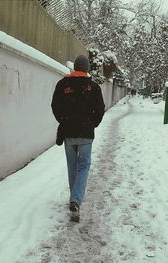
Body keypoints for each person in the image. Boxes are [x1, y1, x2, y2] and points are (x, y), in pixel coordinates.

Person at [51, 55, 105, 222]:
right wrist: (92, 124)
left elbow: (55, 106)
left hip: (68, 133)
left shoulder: (63, 84)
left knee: (72, 166)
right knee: (83, 167)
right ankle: (76, 200)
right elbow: (100, 109)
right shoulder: (93, 87)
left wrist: (64, 121)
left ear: (75, 67)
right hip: (86, 134)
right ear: (87, 68)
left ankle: (73, 199)